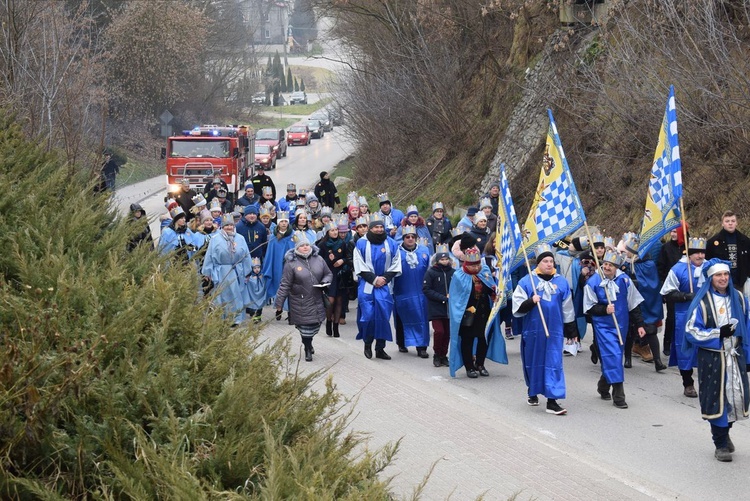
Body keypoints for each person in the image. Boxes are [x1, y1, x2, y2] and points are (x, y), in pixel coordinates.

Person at [684, 258, 750, 462]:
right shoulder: (702, 302)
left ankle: (725, 432)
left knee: (736, 399)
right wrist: (717, 333)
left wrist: (747, 354)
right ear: (711, 278)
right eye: (718, 275)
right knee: (716, 400)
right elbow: (691, 331)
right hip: (713, 358)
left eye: (726, 274)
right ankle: (720, 443)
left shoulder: (738, 297)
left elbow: (747, 326)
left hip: (735, 356)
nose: (723, 278)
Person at [512, 244, 578, 415]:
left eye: (551, 261)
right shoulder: (527, 282)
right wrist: (530, 301)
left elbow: (568, 308)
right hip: (533, 332)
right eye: (545, 261)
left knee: (554, 363)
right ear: (538, 263)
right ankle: (532, 391)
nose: (549, 264)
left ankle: (552, 400)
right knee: (533, 362)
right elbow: (517, 307)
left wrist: (571, 330)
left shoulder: (561, 282)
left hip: (554, 332)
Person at [584, 249, 646, 409]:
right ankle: (619, 395)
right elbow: (588, 307)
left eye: (610, 265)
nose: (607, 267)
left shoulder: (625, 280)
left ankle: (603, 385)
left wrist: (639, 324)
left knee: (615, 356)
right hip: (603, 327)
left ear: (617, 267)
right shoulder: (593, 282)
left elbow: (633, 304)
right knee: (613, 354)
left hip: (621, 325)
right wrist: (604, 310)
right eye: (605, 264)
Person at [448, 247, 507, 378]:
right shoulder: (459, 275)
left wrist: (495, 292)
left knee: (484, 338)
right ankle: (469, 367)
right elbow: (455, 298)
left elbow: (491, 287)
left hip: (484, 311)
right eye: (472, 265)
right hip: (467, 314)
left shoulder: (484, 271)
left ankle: (480, 364)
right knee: (467, 340)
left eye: (477, 264)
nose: (475, 267)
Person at [274, 232, 333, 362]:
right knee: (305, 327)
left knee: (314, 326)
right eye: (302, 246)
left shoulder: (319, 259)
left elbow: (328, 273)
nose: (305, 247)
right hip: (299, 300)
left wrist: (324, 282)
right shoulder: (291, 263)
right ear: (296, 248)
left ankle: (309, 342)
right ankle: (307, 348)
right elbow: (285, 284)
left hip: (317, 298)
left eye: (307, 245)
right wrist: (279, 303)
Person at [660, 237, 706, 398]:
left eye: (702, 252)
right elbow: (667, 293)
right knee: (685, 349)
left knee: (707, 349)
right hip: (684, 315)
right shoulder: (678, 269)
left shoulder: (710, 268)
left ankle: (708, 382)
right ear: (690, 254)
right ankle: (688, 383)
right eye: (697, 253)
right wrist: (686, 296)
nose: (700, 256)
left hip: (707, 316)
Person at [353, 214, 402, 360]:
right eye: (376, 227)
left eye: (381, 227)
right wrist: (374, 279)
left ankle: (380, 348)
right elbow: (359, 264)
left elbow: (396, 263)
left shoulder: (392, 243)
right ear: (370, 228)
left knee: (383, 315)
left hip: (385, 285)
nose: (379, 229)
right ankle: (367, 344)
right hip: (367, 284)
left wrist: (385, 279)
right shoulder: (361, 244)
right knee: (368, 316)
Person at [620, 233, 666, 371]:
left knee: (650, 330)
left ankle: (658, 361)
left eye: (627, 249)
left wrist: (633, 283)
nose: (625, 251)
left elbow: (650, 285)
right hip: (632, 303)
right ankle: (627, 359)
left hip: (645, 303)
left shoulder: (648, 264)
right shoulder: (626, 264)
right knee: (629, 331)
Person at [201, 214, 253, 326]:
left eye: (231, 225)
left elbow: (246, 255)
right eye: (226, 225)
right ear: (222, 227)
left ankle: (236, 318)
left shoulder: (240, 238)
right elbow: (209, 256)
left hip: (236, 271)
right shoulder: (215, 239)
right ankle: (222, 317)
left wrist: (247, 270)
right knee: (222, 295)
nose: (229, 227)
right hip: (221, 271)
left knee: (237, 295)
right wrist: (207, 272)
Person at [393, 225, 431, 357]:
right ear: (403, 238)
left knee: (422, 318)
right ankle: (402, 342)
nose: (410, 239)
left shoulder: (424, 250)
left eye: (412, 237)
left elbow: (430, 270)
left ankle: (422, 347)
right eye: (407, 237)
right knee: (402, 317)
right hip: (402, 290)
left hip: (421, 291)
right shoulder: (396, 252)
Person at [422, 244, 454, 367]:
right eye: (442, 259)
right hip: (436, 307)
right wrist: (443, 298)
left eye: (446, 259)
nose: (444, 262)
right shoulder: (431, 273)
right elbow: (426, 289)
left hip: (449, 308)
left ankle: (443, 355)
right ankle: (436, 353)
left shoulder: (453, 272)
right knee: (439, 331)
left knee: (447, 333)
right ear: (437, 260)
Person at [658, 225, 688, 355]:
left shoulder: (690, 246)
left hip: (687, 287)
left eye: (675, 231)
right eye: (671, 231)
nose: (673, 233)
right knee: (672, 317)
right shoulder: (666, 248)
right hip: (672, 287)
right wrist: (663, 288)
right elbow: (661, 268)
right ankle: (667, 343)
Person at [317, 221, 350, 337]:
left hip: (340, 275)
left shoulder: (342, 243)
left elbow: (347, 257)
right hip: (328, 275)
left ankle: (336, 326)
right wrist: (329, 260)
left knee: (339, 300)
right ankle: (329, 322)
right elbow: (317, 262)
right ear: (327, 232)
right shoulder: (322, 245)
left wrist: (342, 261)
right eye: (332, 230)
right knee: (330, 301)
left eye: (336, 230)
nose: (335, 232)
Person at [705, 211, 750, 292]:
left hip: (740, 282)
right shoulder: (713, 242)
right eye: (727, 221)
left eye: (733, 221)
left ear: (736, 223)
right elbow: (707, 261)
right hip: (720, 283)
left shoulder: (745, 241)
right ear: (722, 223)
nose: (730, 223)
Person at [262, 211, 295, 304]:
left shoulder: (293, 235)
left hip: (289, 264)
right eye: (281, 221)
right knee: (278, 284)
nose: (284, 223)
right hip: (277, 264)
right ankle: (279, 305)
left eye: (285, 221)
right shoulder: (274, 236)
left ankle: (290, 311)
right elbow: (270, 253)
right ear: (278, 223)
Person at [245, 257, 266, 323]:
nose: (257, 270)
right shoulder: (250, 277)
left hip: (260, 295)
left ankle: (259, 317)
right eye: (254, 268)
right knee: (253, 306)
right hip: (253, 295)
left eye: (258, 268)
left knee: (260, 306)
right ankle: (254, 317)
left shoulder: (262, 276)